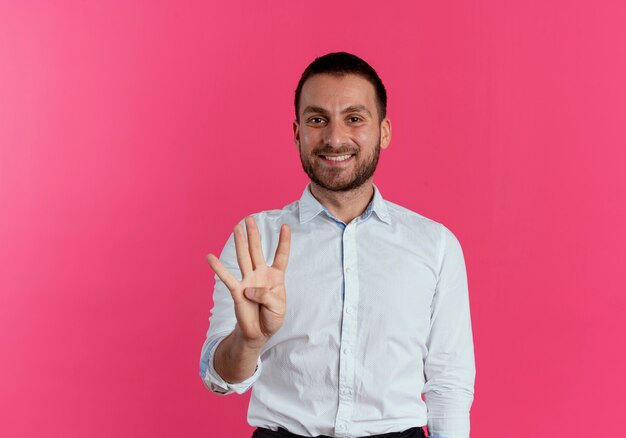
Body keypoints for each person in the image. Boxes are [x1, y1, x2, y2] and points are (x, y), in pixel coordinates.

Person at [200, 52, 475, 438]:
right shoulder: (255, 239)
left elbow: (449, 383)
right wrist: (249, 341)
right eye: (317, 120)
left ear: (384, 131)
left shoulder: (435, 245)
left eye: (354, 118)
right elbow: (218, 377)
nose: (334, 138)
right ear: (297, 132)